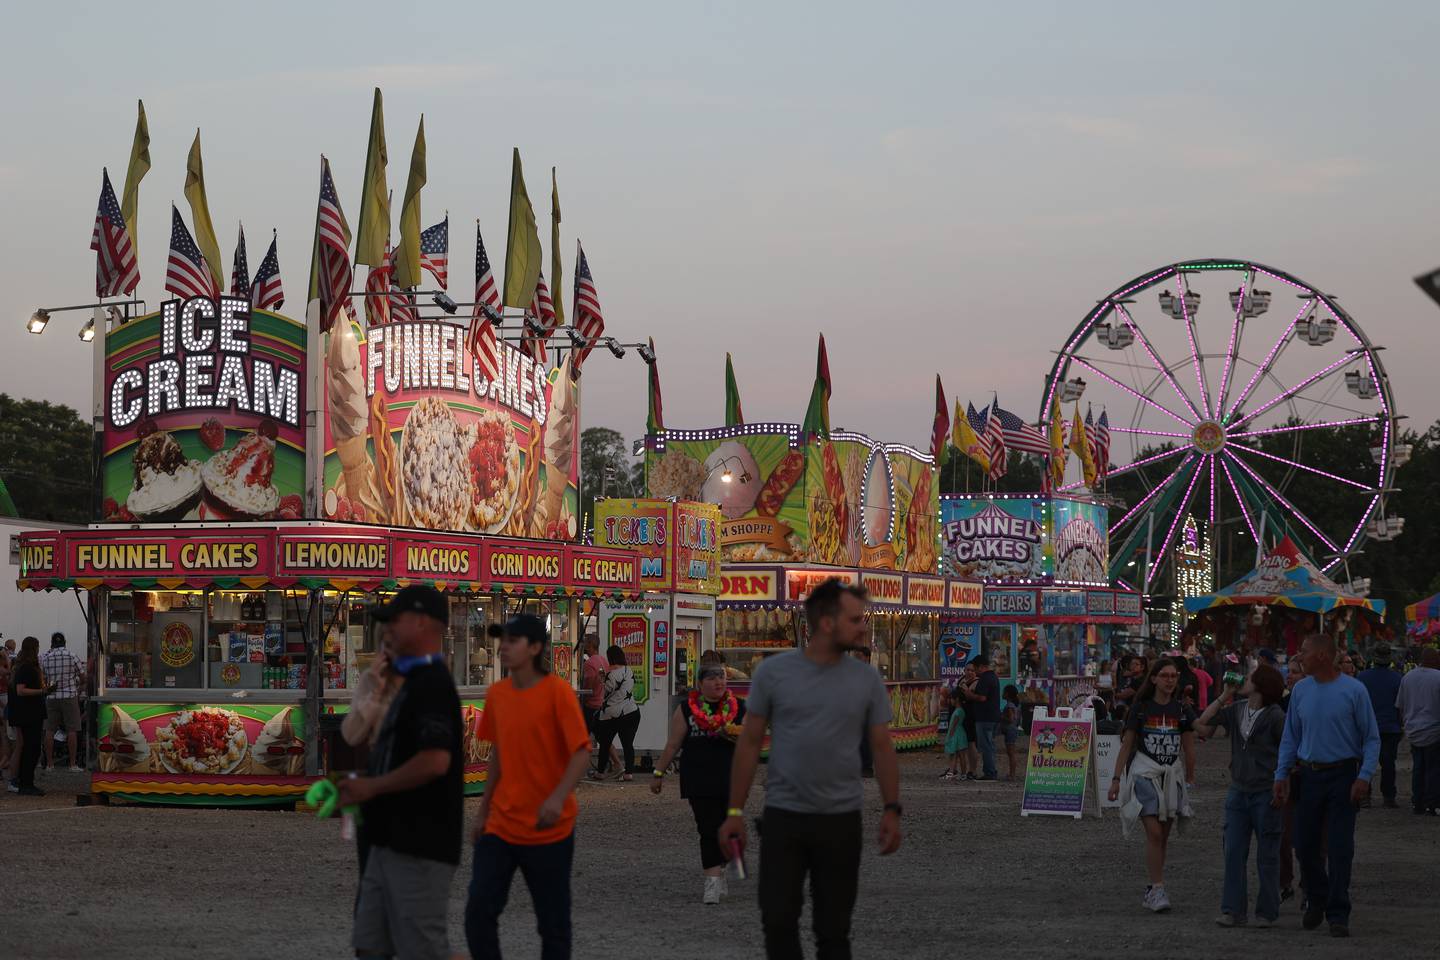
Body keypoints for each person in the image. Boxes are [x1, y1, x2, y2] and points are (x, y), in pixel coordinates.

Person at [720, 579, 901, 960]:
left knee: (834, 931)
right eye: (855, 620)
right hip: (784, 818)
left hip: (841, 820)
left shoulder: (866, 679)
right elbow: (749, 743)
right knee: (778, 921)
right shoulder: (775, 673)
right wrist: (734, 812)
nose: (863, 627)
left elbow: (882, 747)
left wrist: (891, 809)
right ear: (826, 623)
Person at [338, 586, 463, 960]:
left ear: (422, 622)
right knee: (370, 945)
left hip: (419, 840)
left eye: (395, 620)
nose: (387, 631)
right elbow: (353, 734)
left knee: (421, 948)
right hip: (383, 837)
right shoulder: (398, 681)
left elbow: (435, 760)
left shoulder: (432, 684)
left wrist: (373, 787)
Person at [465, 614, 590, 960]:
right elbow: (499, 756)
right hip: (501, 826)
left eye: (513, 640)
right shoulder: (497, 695)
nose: (504, 646)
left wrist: (556, 798)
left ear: (535, 647)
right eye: (502, 639)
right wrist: (483, 811)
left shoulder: (558, 694)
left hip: (549, 828)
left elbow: (581, 752)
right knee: (478, 912)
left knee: (553, 924)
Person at [1273, 633, 1380, 938]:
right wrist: (1281, 774)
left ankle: (1337, 912)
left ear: (1321, 655)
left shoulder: (1354, 691)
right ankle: (1317, 898)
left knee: (1339, 846)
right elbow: (1291, 736)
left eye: (1304, 652)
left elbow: (1371, 738)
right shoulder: (1301, 691)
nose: (1299, 656)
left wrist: (1364, 776)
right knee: (1305, 844)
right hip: (1308, 776)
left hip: (1343, 775)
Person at [1193, 663, 1287, 928]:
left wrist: (1283, 782)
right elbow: (1204, 722)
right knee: (1233, 851)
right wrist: (1224, 695)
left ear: (1260, 685)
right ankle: (1233, 909)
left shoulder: (1276, 716)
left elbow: (1289, 750)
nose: (1244, 680)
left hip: (1266, 791)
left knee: (1267, 855)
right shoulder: (1236, 710)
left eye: (1249, 677)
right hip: (1239, 791)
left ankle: (1266, 912)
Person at [651, 661, 748, 903]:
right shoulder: (687, 709)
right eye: (712, 678)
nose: (718, 682)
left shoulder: (740, 708)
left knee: (728, 828)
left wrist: (734, 735)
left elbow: (753, 741)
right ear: (700, 683)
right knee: (707, 828)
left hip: (731, 777)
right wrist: (658, 773)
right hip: (698, 777)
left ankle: (724, 867)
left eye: (722, 678)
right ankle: (712, 883)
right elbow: (673, 744)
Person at [1108, 657, 1196, 913]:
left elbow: (1190, 745)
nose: (1170, 680)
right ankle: (1158, 889)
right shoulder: (1141, 708)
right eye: (1165, 675)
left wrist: (1190, 777)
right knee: (1155, 833)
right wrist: (1116, 779)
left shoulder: (1181, 710)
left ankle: (1153, 886)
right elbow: (1127, 744)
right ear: (1154, 678)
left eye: (1174, 676)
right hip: (1144, 774)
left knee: (1163, 836)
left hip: (1171, 776)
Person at [339, 635, 404, 889]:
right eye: (386, 646)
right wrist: (376, 692)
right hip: (376, 774)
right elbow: (351, 734)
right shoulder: (370, 681)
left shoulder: (425, 682)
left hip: (409, 779)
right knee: (371, 874)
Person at [1356, 644, 1403, 809]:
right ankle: (1389, 796)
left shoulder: (1362, 678)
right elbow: (1401, 706)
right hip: (1390, 727)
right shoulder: (1397, 679)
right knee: (1388, 763)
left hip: (1366, 727)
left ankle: (1364, 796)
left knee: (1364, 762)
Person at [1395, 647, 1440, 816]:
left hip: (1413, 731)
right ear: (1435, 661)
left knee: (1418, 767)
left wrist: (1405, 724)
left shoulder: (1408, 677)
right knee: (1433, 769)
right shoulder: (1438, 677)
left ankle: (1418, 802)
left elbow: (1400, 705)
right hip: (1434, 731)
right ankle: (1432, 803)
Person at [9, 637, 54, 796]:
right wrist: (42, 691)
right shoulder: (26, 668)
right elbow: (21, 690)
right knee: (31, 748)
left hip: (25, 713)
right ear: (34, 649)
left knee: (27, 747)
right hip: (29, 714)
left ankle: (22, 780)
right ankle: (26, 782)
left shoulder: (20, 667)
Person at [594, 644, 641, 781]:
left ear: (611, 658)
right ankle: (628, 773)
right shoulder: (629, 670)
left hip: (611, 714)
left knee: (605, 743)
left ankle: (601, 772)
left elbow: (608, 690)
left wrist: (602, 678)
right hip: (631, 711)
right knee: (628, 744)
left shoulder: (610, 674)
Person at [39, 632, 84, 771]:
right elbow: (83, 676)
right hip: (69, 696)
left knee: (49, 730)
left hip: (51, 698)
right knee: (72, 729)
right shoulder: (72, 655)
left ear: (52, 643)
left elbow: (43, 680)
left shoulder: (46, 658)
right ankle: (72, 764)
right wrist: (78, 687)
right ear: (65, 642)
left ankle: (50, 764)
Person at [959, 655, 1001, 780]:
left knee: (986, 746)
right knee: (990, 745)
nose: (975, 672)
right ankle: (991, 770)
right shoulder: (993, 677)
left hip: (985, 717)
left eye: (975, 669)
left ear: (981, 667)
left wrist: (968, 694)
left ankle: (989, 773)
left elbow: (982, 697)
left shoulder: (985, 679)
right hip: (992, 716)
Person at [941, 688, 971, 781]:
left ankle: (952, 772)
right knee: (962, 756)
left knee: (953, 755)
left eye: (952, 699)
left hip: (956, 735)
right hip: (960, 735)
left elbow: (953, 726)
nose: (950, 701)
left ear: (956, 699)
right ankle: (963, 774)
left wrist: (949, 737)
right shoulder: (961, 710)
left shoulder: (957, 711)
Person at [1000, 684, 1023, 781]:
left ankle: (1012, 775)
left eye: (1004, 692)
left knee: (1011, 753)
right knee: (1011, 753)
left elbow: (1011, 719)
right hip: (1012, 730)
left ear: (1008, 694)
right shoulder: (1015, 705)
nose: (1002, 694)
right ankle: (1012, 774)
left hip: (1010, 731)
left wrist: (1000, 716)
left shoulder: (1009, 705)